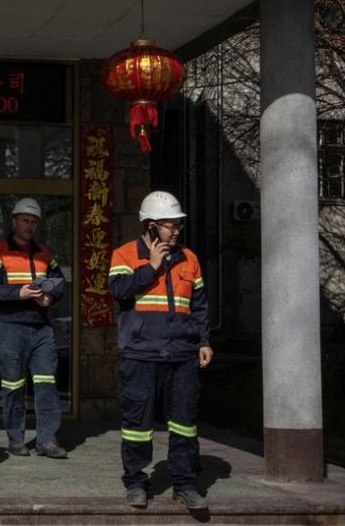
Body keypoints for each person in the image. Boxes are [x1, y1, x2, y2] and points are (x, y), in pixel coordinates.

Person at [107, 190, 213, 510]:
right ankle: (137, 483)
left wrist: (204, 341)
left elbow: (199, 305)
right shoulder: (124, 255)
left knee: (184, 421)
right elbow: (119, 291)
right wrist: (151, 266)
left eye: (178, 224)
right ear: (151, 225)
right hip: (141, 353)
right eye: (170, 225)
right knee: (137, 424)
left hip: (182, 353)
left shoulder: (189, 258)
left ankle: (184, 484)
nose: (176, 230)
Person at [0, 197, 68, 459]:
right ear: (14, 221)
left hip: (41, 327)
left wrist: (50, 297)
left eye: (33, 222)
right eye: (25, 221)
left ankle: (47, 440)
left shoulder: (44, 252)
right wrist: (19, 293)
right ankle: (16, 439)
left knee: (46, 383)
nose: (30, 226)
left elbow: (59, 282)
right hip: (11, 326)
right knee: (13, 385)